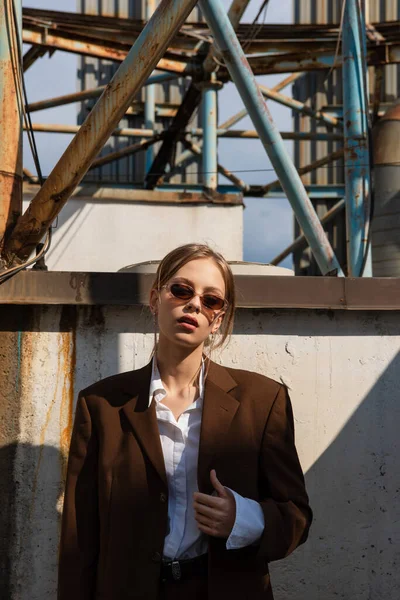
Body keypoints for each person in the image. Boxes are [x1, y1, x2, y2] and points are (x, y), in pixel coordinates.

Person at [58, 243, 312, 600]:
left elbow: (296, 517)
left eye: (211, 300)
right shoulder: (101, 405)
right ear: (154, 299)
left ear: (218, 319)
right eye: (181, 290)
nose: (194, 304)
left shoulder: (261, 400)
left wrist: (242, 519)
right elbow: (79, 540)